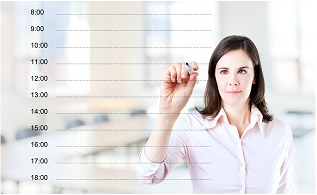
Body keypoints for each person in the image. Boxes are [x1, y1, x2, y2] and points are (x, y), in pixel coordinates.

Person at [136, 35, 297, 193]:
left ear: (254, 76)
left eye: (242, 71)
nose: (233, 80)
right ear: (214, 77)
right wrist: (167, 114)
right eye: (224, 71)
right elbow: (148, 176)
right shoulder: (191, 127)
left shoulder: (279, 131)